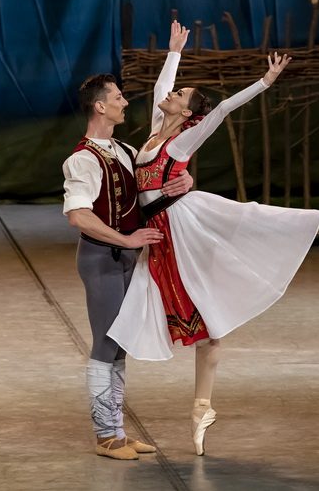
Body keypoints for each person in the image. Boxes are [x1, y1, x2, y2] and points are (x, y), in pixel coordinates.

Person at [108, 21, 319, 456]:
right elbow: (163, 85)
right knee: (205, 327)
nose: (172, 94)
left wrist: (265, 82)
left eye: (180, 95)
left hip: (187, 227)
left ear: (188, 114)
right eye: (176, 91)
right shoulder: (158, 130)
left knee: (270, 222)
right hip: (162, 235)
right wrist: (174, 51)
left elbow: (221, 110)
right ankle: (201, 408)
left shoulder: (180, 143)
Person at [62, 71, 194, 460]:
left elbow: (144, 196)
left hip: (123, 258)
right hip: (101, 258)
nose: (124, 102)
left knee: (120, 343)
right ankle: (106, 437)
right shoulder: (82, 159)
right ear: (100, 106)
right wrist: (127, 241)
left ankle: (116, 431)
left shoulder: (123, 149)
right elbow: (78, 216)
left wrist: (181, 182)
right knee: (106, 342)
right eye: (118, 97)